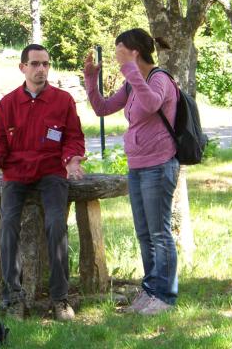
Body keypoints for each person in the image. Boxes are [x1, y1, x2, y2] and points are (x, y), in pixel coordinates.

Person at [0, 44, 86, 321]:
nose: (41, 70)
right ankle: (13, 298)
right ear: (22, 67)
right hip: (16, 172)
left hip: (51, 171)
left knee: (56, 223)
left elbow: (73, 137)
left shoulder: (63, 100)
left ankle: (60, 299)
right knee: (8, 224)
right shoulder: (8, 104)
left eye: (45, 64)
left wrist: (71, 159)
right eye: (35, 64)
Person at [83, 28, 180, 315]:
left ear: (134, 51)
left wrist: (130, 70)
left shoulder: (159, 79)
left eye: (120, 51)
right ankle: (150, 291)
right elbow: (102, 108)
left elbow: (151, 103)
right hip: (137, 167)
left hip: (159, 165)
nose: (115, 57)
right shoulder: (131, 84)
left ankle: (165, 297)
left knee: (159, 233)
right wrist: (91, 79)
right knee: (144, 234)